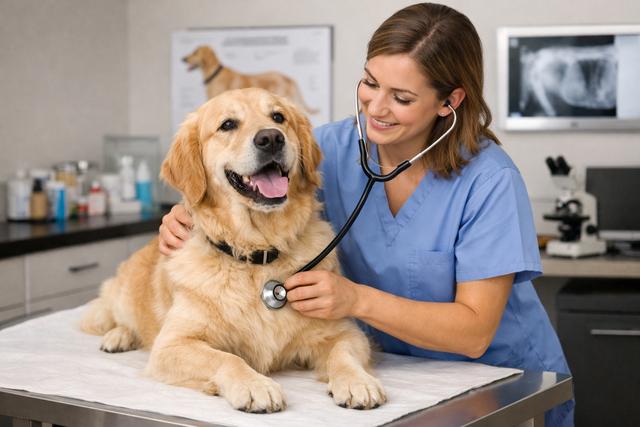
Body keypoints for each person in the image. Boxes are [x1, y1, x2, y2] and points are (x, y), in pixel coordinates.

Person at [158, 3, 574, 425]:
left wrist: (356, 299)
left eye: (402, 97)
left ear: (449, 101)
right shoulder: (333, 148)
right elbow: (242, 169)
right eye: (370, 83)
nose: (376, 107)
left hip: (500, 385)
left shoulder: (490, 181)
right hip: (399, 382)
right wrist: (186, 211)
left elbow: (474, 332)